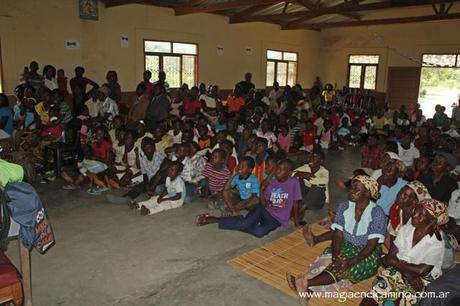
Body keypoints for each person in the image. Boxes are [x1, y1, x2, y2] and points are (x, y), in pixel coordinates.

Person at [286, 176, 386, 304]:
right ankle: (307, 290)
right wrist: (335, 254)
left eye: (357, 189)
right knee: (329, 261)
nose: (351, 191)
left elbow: (371, 245)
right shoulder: (344, 207)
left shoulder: (377, 213)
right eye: (351, 188)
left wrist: (351, 262)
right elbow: (338, 235)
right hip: (346, 245)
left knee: (347, 267)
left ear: (367, 193)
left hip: (366, 253)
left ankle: (305, 282)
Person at [360, 199, 448, 306]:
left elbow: (421, 271)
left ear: (432, 221)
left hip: (421, 280)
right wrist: (407, 273)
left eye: (421, 215)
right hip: (404, 272)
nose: (415, 215)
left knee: (398, 301)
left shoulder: (437, 243)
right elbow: (389, 259)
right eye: (415, 211)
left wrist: (395, 262)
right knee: (374, 294)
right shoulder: (406, 229)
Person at [196, 159, 302, 237]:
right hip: (264, 210)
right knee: (244, 224)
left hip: (278, 219)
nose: (278, 171)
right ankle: (215, 219)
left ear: (289, 173)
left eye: (282, 170)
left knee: (259, 232)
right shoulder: (271, 183)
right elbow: (264, 205)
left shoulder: (293, 182)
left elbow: (296, 202)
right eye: (277, 169)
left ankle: (242, 221)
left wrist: (297, 222)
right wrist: (262, 188)